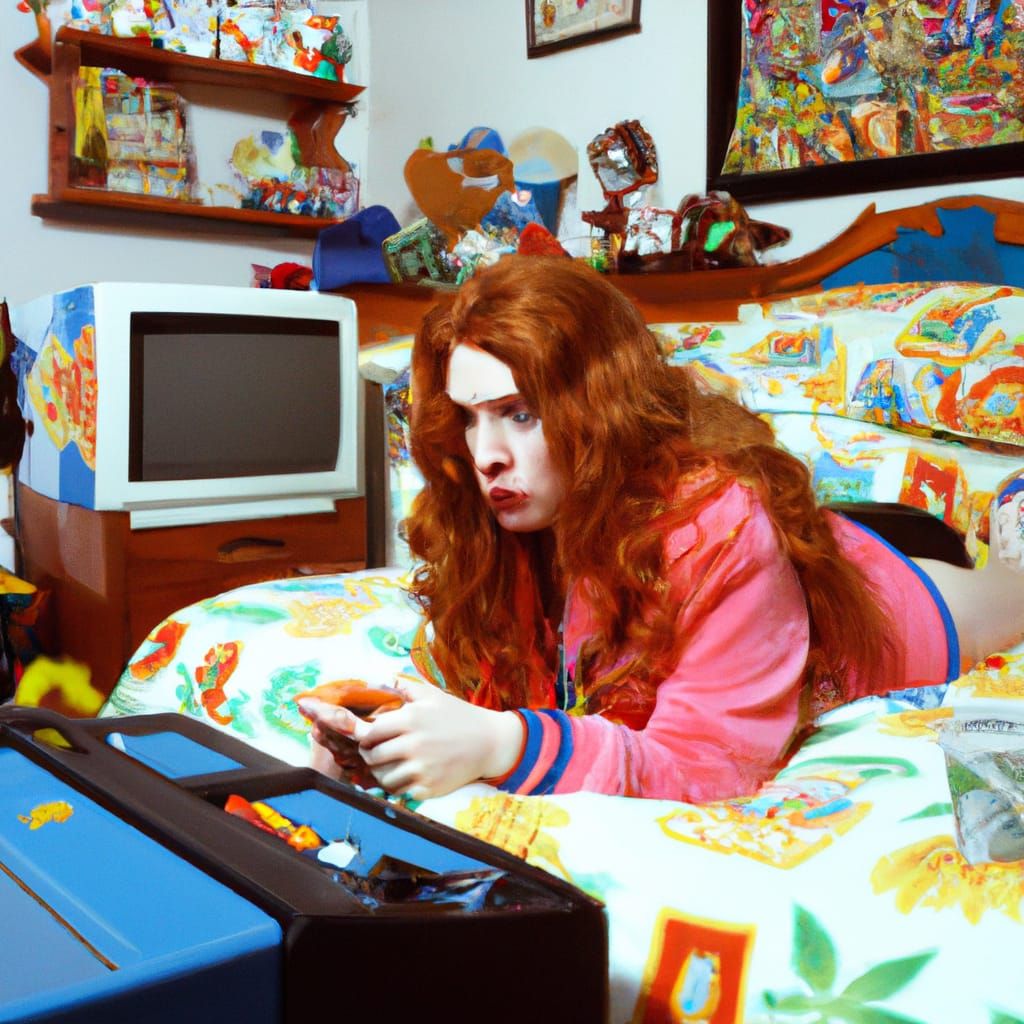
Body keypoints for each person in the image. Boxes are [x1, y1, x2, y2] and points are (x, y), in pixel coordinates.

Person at [299, 256, 1024, 804]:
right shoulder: (504, 513)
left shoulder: (717, 524)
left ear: (599, 408)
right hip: (790, 571)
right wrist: (379, 733)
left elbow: (711, 767)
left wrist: (505, 744)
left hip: (890, 602)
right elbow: (485, 676)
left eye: (520, 413)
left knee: (1014, 584)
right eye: (469, 417)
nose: (486, 454)